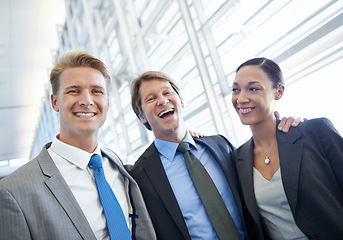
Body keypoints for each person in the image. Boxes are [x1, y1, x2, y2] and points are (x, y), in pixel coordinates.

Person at [0, 51, 156, 240]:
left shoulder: (116, 166)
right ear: (55, 102)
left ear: (107, 103)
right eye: (73, 91)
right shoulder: (14, 192)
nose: (87, 101)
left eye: (96, 91)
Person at [128, 71, 298, 240]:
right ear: (142, 116)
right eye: (151, 99)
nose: (163, 101)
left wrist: (283, 131)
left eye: (167, 92)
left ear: (181, 102)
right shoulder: (139, 176)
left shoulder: (219, 145)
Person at [231, 57, 343, 240]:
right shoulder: (236, 160)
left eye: (253, 88)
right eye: (236, 89)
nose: (241, 98)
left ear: (279, 92)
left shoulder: (315, 133)